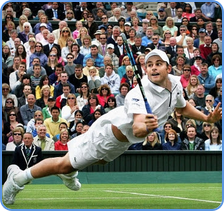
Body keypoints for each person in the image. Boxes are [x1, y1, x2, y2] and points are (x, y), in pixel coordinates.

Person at [3, 49, 222, 205]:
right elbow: (137, 128)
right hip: (109, 136)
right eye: (150, 64)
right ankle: (18, 178)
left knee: (99, 161)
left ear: (168, 67)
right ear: (145, 69)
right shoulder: (138, 93)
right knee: (63, 165)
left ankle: (70, 170)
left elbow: (182, 108)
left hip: (119, 141)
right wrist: (146, 127)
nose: (153, 67)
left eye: (158, 63)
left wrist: (208, 118)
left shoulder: (175, 83)